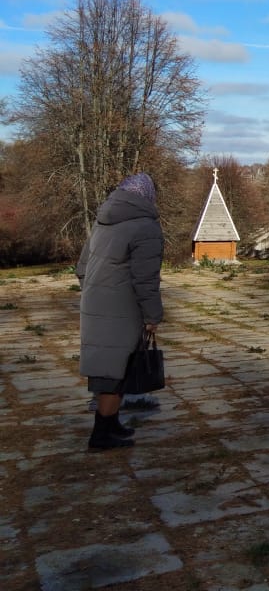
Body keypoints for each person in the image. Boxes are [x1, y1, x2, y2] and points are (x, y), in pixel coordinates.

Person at [76, 173, 164, 450]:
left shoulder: (104, 221)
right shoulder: (146, 227)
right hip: (123, 308)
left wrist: (98, 292)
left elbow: (82, 268)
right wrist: (152, 316)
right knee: (117, 372)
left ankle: (111, 425)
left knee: (108, 368)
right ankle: (101, 436)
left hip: (94, 303)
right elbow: (145, 279)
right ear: (147, 196)